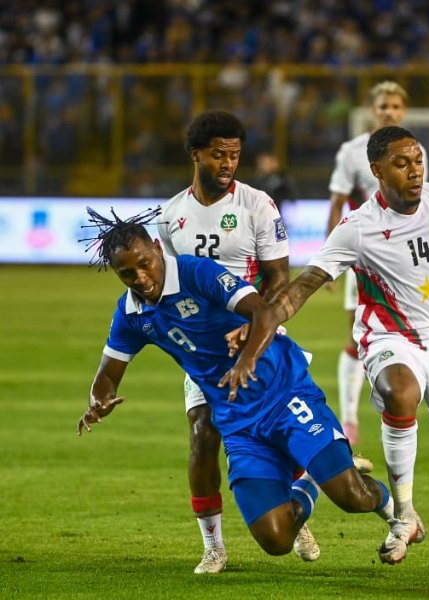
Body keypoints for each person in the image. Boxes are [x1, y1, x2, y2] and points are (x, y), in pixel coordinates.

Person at [232, 126, 429, 583]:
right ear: (377, 171)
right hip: (389, 341)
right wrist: (265, 322)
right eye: (402, 164)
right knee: (401, 393)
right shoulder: (358, 228)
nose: (415, 171)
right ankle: (404, 515)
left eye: (419, 160)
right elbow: (303, 286)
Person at [75, 208, 396, 568]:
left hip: (282, 391)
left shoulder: (198, 273)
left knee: (352, 496)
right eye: (127, 273)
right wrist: (97, 400)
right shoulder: (132, 313)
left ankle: (399, 514)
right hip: (237, 419)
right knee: (276, 540)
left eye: (145, 263)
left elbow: (264, 313)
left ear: (155, 247)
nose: (141, 277)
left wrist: (245, 360)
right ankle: (309, 482)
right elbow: (108, 373)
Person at [155, 110, 320, 572]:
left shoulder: (258, 205)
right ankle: (213, 546)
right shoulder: (171, 216)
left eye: (235, 154)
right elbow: (165, 285)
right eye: (218, 154)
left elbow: (279, 276)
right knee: (203, 433)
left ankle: (297, 499)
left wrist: (252, 325)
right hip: (203, 348)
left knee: (278, 432)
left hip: (258, 333)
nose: (228, 162)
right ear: (196, 154)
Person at [325, 81, 428, 445]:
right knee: (356, 334)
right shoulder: (352, 152)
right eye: (384, 106)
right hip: (366, 256)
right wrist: (331, 258)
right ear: (373, 109)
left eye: (396, 107)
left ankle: (402, 399)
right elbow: (338, 202)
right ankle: (350, 419)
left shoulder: (416, 151)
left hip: (406, 261)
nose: (390, 112)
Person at [251, 151, 297, 216]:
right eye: (261, 162)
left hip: (277, 216)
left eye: (267, 162)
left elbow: (291, 197)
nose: (262, 165)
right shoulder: (254, 181)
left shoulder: (283, 179)